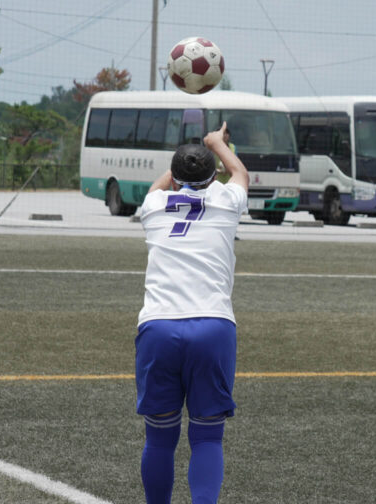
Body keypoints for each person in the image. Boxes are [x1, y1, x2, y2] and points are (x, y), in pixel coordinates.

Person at [135, 122, 248, 503]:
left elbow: (161, 185)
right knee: (207, 437)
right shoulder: (226, 202)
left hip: (159, 327)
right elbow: (240, 174)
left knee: (159, 437)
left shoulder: (153, 206)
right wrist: (216, 144)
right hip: (213, 326)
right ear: (213, 176)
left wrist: (184, 160)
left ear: (174, 177)